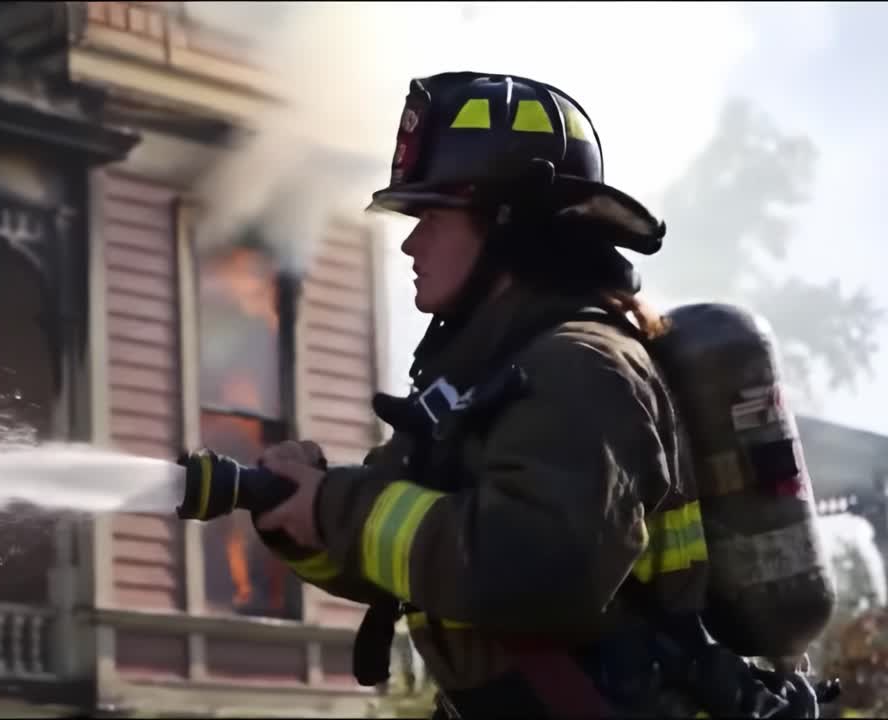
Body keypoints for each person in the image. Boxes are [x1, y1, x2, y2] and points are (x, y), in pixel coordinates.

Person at [247, 71, 782, 718]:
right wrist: (297, 513)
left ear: (510, 223)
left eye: (432, 217)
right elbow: (395, 553)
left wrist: (333, 506)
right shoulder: (478, 386)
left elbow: (530, 568)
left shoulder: (584, 369)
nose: (412, 242)